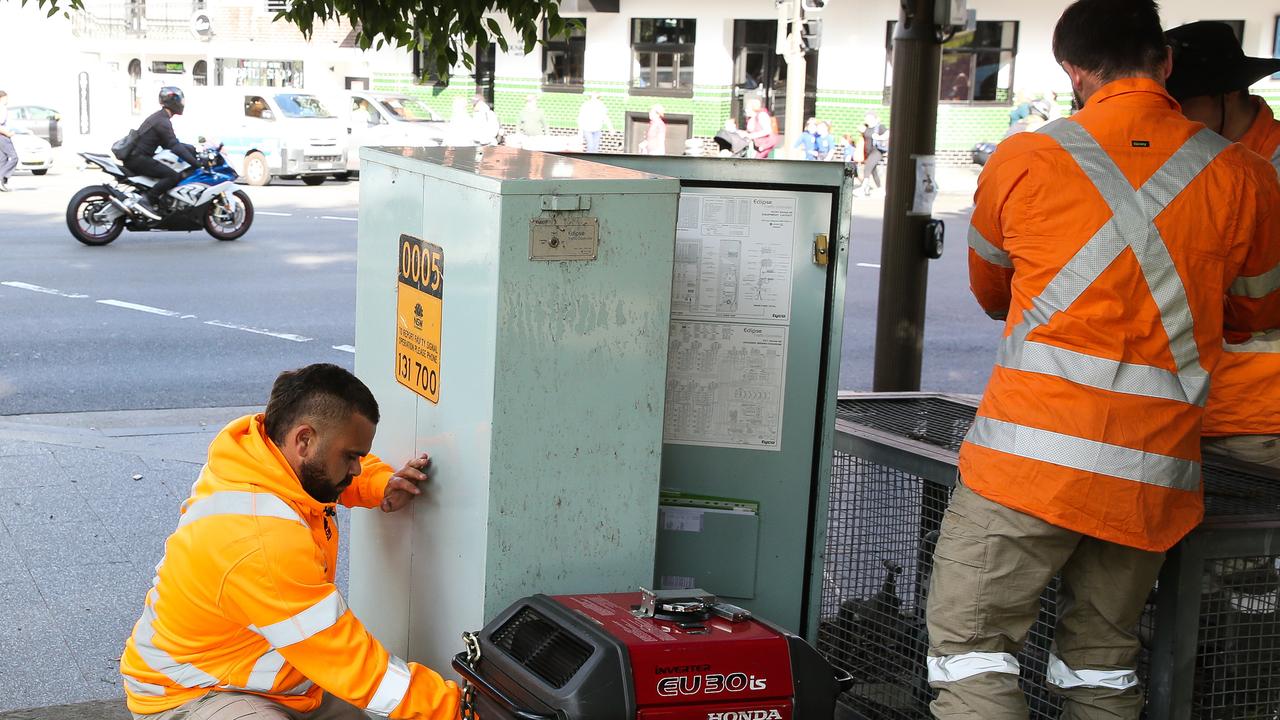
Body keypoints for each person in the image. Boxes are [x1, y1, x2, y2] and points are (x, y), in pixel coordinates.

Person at [926, 1, 1280, 718]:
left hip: (1025, 468)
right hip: (1152, 475)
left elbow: (994, 293)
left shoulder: (1022, 159)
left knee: (972, 656)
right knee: (1102, 667)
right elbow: (1253, 312)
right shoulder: (1246, 178)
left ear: (1073, 70)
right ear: (1167, 63)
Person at [121, 363, 461, 720]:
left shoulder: (264, 457)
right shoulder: (260, 540)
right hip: (190, 693)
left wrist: (380, 484)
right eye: (351, 457)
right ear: (304, 440)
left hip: (266, 671)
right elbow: (350, 663)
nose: (357, 469)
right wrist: (459, 711)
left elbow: (322, 475)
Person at [1166, 20, 1280, 469]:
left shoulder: (1264, 170)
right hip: (1188, 409)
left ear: (1230, 94)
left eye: (1183, 102)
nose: (1170, 114)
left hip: (1255, 418)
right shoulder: (1192, 162)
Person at [125, 87, 199, 219]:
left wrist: (193, 149)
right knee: (173, 176)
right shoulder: (162, 121)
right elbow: (174, 145)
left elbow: (168, 145)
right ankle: (147, 200)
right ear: (173, 101)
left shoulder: (160, 118)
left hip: (137, 156)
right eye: (181, 100)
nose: (182, 104)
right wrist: (196, 163)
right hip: (138, 159)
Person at [861, 113, 888, 196]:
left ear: (874, 118)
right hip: (868, 152)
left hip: (877, 151)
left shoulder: (879, 127)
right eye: (866, 118)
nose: (866, 119)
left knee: (867, 167)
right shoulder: (866, 127)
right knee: (873, 170)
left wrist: (879, 137)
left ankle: (864, 187)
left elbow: (888, 134)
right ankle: (880, 189)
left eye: (868, 118)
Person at [0, 90, 16, 192]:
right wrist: (8, 134)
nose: (7, 100)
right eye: (6, 98)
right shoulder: (2, 109)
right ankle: (1, 178)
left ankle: (2, 182)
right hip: (3, 136)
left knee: (3, 159)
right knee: (14, 157)